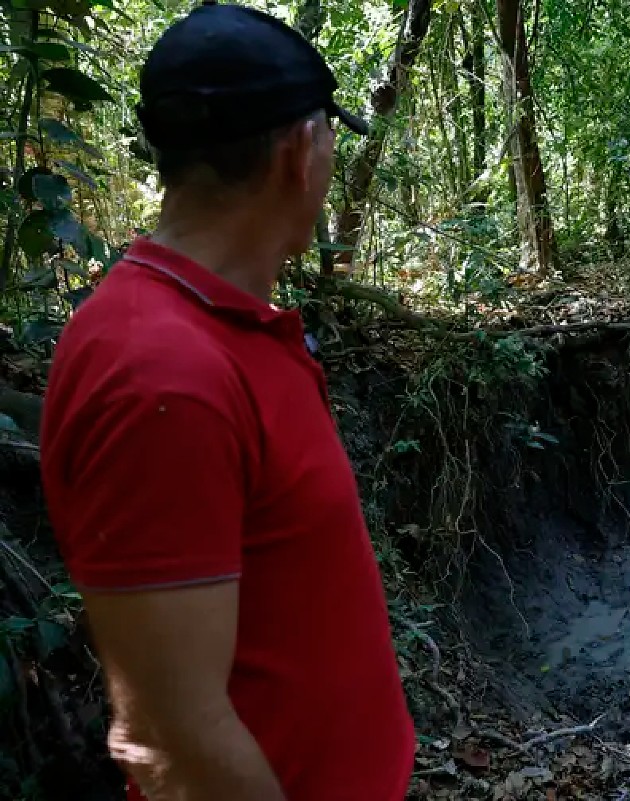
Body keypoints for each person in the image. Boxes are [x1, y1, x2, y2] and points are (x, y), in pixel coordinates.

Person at [38, 2, 416, 799]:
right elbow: (167, 743)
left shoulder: (217, 330)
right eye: (330, 138)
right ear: (300, 152)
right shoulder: (161, 375)